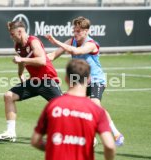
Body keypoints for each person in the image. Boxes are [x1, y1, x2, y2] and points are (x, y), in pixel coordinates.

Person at [45, 16, 124, 146]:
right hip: (79, 81)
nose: (75, 33)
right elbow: (52, 56)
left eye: (78, 31)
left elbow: (76, 51)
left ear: (86, 31)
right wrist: (33, 60)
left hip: (95, 80)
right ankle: (89, 137)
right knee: (70, 104)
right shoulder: (71, 41)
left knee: (95, 105)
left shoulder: (92, 44)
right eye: (74, 30)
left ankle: (116, 134)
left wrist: (56, 41)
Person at [31, 59, 116, 160]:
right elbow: (109, 146)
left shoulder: (53, 105)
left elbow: (35, 141)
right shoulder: (96, 110)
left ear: (66, 79)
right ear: (89, 79)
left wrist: (57, 148)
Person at [0, 21, 62, 142]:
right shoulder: (18, 46)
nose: (11, 37)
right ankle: (10, 132)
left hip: (48, 80)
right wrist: (20, 73)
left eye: (12, 34)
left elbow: (42, 61)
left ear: (20, 31)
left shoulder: (33, 41)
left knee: (64, 108)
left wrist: (21, 59)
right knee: (8, 96)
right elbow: (21, 62)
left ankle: (85, 135)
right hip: (34, 82)